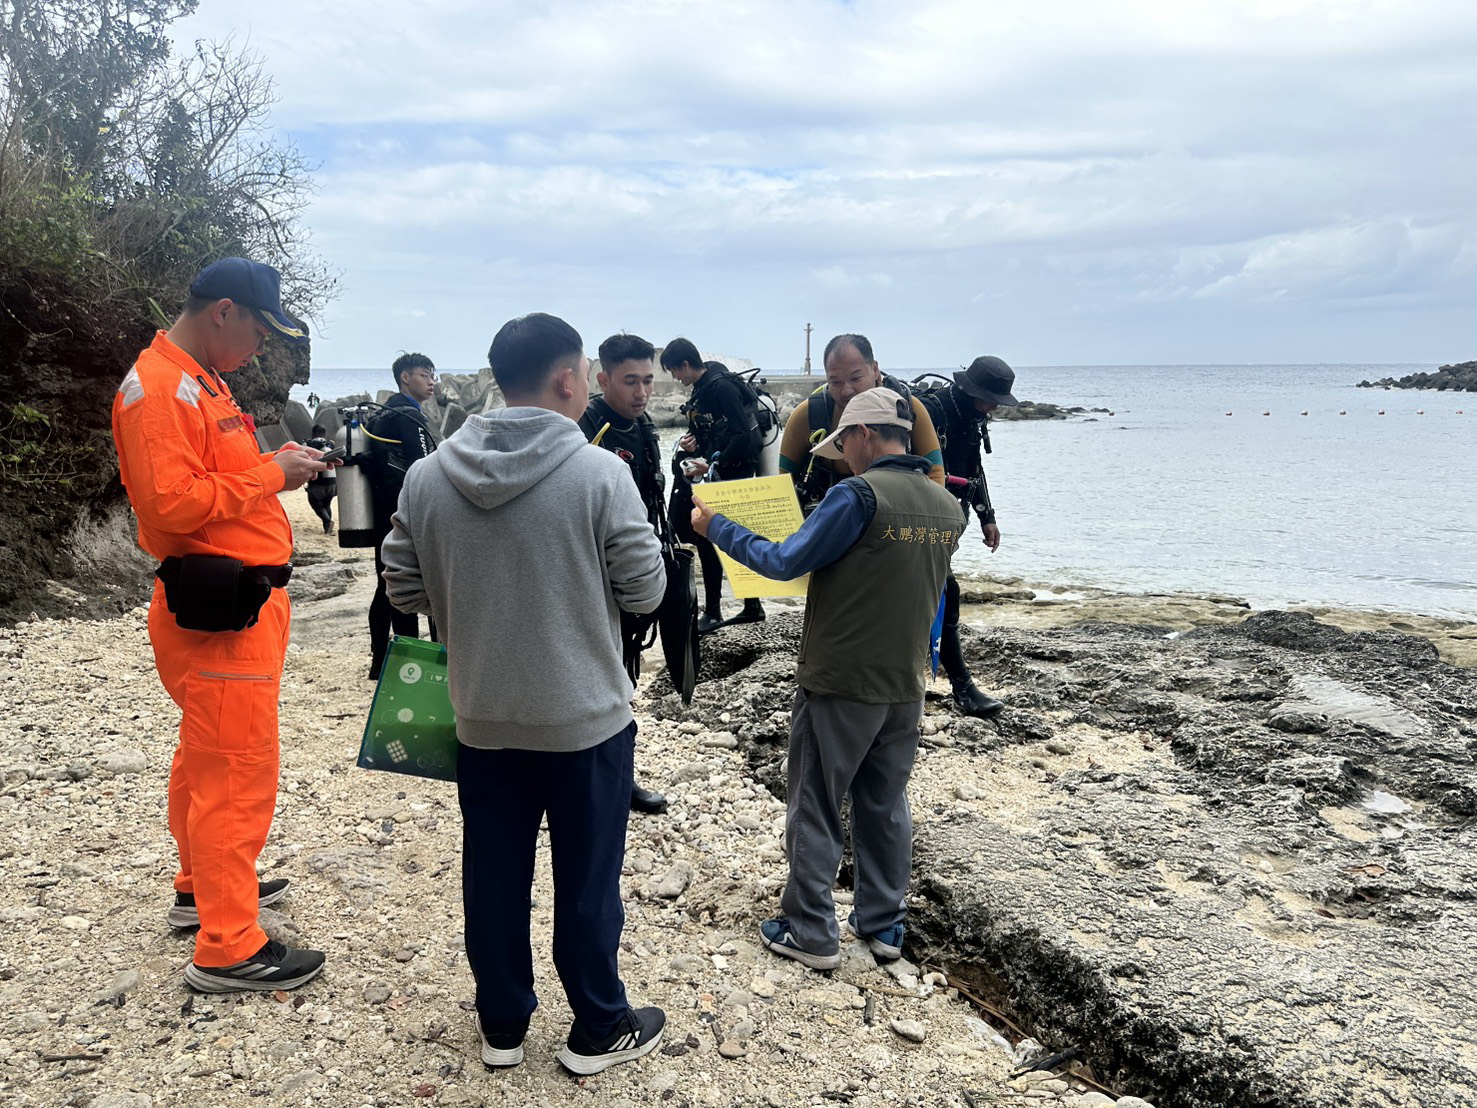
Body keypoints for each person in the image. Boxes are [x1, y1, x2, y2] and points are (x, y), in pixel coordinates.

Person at [382, 312, 667, 1075]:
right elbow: (645, 590)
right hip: (586, 720)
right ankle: (598, 1025)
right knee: (587, 883)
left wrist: (466, 603)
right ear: (569, 379)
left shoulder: (427, 475)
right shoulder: (600, 474)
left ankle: (502, 1026)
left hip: (479, 714)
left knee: (494, 878)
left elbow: (400, 584)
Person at [110, 257, 328, 992]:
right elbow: (170, 506)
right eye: (260, 332)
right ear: (224, 311)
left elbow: (209, 480)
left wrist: (274, 461)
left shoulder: (199, 380)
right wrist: (272, 476)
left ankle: (200, 887)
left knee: (208, 757)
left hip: (239, 604)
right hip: (220, 613)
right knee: (235, 769)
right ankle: (229, 946)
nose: (261, 349)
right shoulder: (161, 389)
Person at [692, 387, 961, 971]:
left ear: (862, 434)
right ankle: (883, 923)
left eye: (845, 445)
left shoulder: (856, 495)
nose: (844, 458)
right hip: (906, 681)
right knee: (885, 804)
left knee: (815, 801)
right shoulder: (946, 506)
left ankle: (811, 930)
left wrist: (718, 527)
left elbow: (785, 560)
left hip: (840, 679)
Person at [579, 332, 670, 816]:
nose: (642, 392)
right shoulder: (587, 427)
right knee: (601, 677)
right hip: (593, 575)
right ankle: (597, 777)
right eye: (630, 381)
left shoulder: (644, 427)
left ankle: (619, 774)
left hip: (634, 569)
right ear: (603, 379)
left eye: (648, 381)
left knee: (626, 673)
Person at [913, 356, 1022, 718]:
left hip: (947, 522)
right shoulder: (933, 412)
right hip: (918, 520)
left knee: (930, 597)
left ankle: (916, 677)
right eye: (991, 400)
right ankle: (961, 686)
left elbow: (975, 468)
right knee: (945, 594)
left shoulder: (973, 417)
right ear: (972, 390)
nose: (994, 407)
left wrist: (987, 517)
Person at [661, 340, 765, 632]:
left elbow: (742, 434)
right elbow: (709, 430)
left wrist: (712, 464)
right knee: (715, 538)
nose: (675, 378)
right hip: (717, 472)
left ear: (685, 364)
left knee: (717, 539)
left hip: (733, 474)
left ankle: (722, 610)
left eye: (674, 371)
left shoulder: (722, 388)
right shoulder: (702, 389)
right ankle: (745, 606)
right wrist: (689, 446)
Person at [778, 333, 946, 511]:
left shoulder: (907, 409)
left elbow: (935, 473)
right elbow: (783, 481)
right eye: (835, 382)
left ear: (875, 370)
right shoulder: (807, 416)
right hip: (830, 518)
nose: (846, 391)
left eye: (856, 378)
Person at [365, 352, 438, 679]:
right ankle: (414, 663)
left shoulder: (382, 416)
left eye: (433, 376)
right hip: (407, 515)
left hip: (381, 513)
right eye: (424, 375)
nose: (431, 382)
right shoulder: (409, 416)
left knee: (386, 586)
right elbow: (424, 468)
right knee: (413, 588)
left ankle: (380, 661)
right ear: (405, 378)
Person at [304, 423, 336, 534]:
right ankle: (327, 529)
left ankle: (327, 521)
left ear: (313, 433)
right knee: (327, 505)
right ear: (324, 433)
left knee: (316, 504)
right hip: (332, 481)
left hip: (316, 481)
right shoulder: (331, 444)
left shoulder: (307, 444)